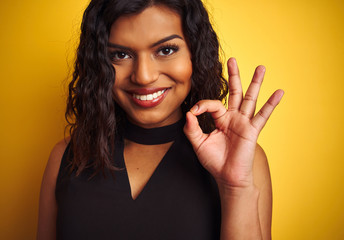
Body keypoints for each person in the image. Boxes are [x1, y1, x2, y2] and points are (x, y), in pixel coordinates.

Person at [37, 0, 283, 239]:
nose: (143, 76)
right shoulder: (66, 156)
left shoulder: (242, 159)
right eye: (120, 55)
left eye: (166, 50)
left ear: (195, 55)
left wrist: (236, 188)